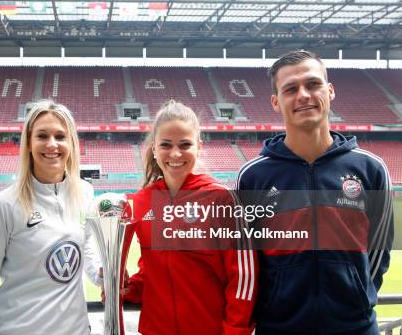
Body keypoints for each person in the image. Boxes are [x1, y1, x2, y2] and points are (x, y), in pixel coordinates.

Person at [236, 50, 393, 334]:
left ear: (330, 90)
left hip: (356, 327)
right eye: (291, 89)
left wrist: (354, 294)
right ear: (275, 101)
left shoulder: (371, 169)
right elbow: (248, 260)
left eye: (313, 84)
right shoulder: (253, 177)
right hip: (278, 328)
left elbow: (378, 253)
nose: (304, 95)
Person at [122, 101, 257, 335]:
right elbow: (152, 270)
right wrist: (128, 289)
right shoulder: (141, 202)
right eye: (166, 145)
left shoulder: (221, 198)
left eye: (185, 144)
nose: (175, 153)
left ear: (199, 147)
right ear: (154, 148)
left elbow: (244, 276)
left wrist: (235, 331)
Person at [0, 100, 101, 335]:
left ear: (71, 143)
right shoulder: (4, 204)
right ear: (29, 144)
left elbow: (87, 248)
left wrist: (103, 276)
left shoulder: (85, 193)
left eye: (60, 136)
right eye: (42, 136)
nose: (52, 144)